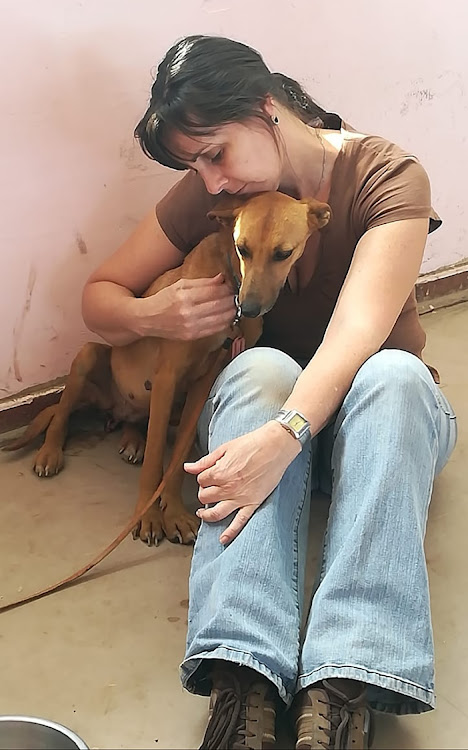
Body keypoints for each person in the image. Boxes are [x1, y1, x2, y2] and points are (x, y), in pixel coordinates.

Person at [82, 35, 458, 750]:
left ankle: (347, 680)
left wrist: (285, 438)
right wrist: (150, 313)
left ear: (266, 110)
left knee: (393, 373)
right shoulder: (220, 197)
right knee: (259, 370)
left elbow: (354, 334)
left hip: (377, 428)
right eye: (194, 165)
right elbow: (98, 296)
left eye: (215, 153)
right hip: (267, 426)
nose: (211, 181)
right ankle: (242, 676)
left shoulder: (387, 176)